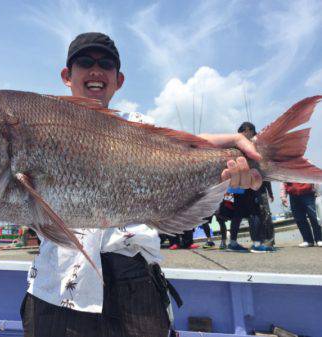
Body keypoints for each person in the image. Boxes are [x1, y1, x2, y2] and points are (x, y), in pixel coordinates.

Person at [20, 32, 263, 337]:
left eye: (106, 64)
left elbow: (179, 149)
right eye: (85, 62)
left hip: (134, 280)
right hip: (58, 285)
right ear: (67, 75)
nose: (96, 70)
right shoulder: (40, 123)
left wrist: (236, 151)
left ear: (118, 80)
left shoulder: (137, 124)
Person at [227, 122, 274, 253]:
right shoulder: (251, 145)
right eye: (252, 131)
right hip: (250, 185)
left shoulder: (232, 145)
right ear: (247, 130)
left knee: (237, 214)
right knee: (255, 213)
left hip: (236, 186)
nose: (253, 134)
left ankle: (233, 242)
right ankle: (257, 244)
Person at [281, 182, 322, 247]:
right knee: (299, 218)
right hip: (293, 195)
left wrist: (318, 192)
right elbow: (283, 182)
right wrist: (283, 196)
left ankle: (319, 239)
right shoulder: (286, 171)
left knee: (314, 216)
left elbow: (313, 177)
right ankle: (308, 240)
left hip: (308, 193)